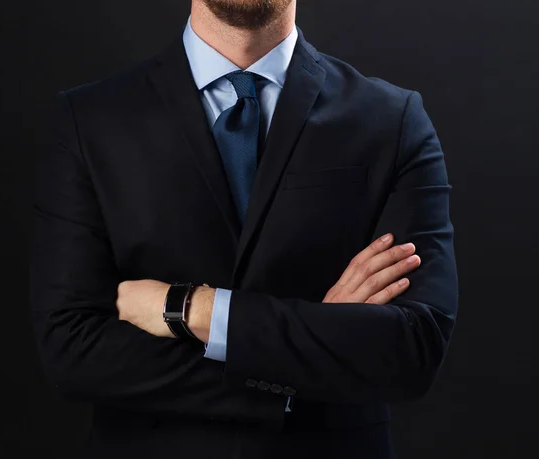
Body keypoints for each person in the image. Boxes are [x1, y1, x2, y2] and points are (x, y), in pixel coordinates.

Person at [29, 0, 458, 458]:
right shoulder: (88, 119)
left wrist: (195, 308)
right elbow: (73, 351)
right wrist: (314, 353)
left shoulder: (393, 120)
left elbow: (413, 346)